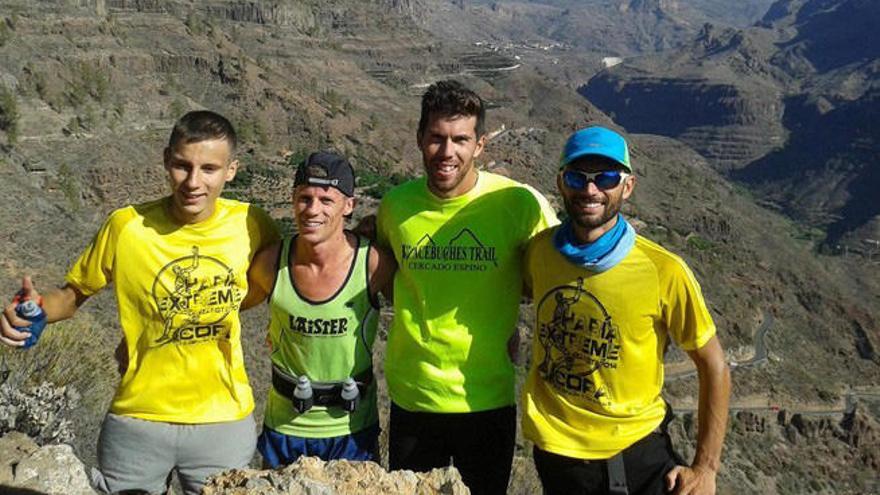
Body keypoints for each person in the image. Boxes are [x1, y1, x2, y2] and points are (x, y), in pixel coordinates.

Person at [0, 110, 280, 495]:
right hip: (138, 420)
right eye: (182, 166)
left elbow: (268, 285)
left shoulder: (254, 223)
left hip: (223, 421)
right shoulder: (127, 227)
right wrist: (36, 310)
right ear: (167, 160)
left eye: (209, 169)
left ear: (231, 170)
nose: (194, 182)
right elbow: (73, 295)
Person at [522, 126, 731, 495]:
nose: (590, 190)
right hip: (555, 455)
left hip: (632, 456)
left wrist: (706, 468)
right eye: (577, 177)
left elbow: (713, 364)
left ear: (628, 186)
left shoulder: (663, 270)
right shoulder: (539, 252)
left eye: (605, 178)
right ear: (560, 182)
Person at [375, 80, 558, 495]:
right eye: (437, 138)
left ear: (480, 145)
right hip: (413, 399)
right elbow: (386, 276)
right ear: (420, 138)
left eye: (460, 139)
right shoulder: (396, 206)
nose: (447, 151)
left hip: (488, 401)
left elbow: (555, 271)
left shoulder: (519, 203)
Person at [243, 151, 395, 466]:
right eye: (304, 198)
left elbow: (420, 309)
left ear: (348, 206)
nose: (313, 210)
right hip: (285, 427)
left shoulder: (373, 265)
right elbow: (226, 309)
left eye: (326, 200)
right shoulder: (271, 265)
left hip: (352, 431)